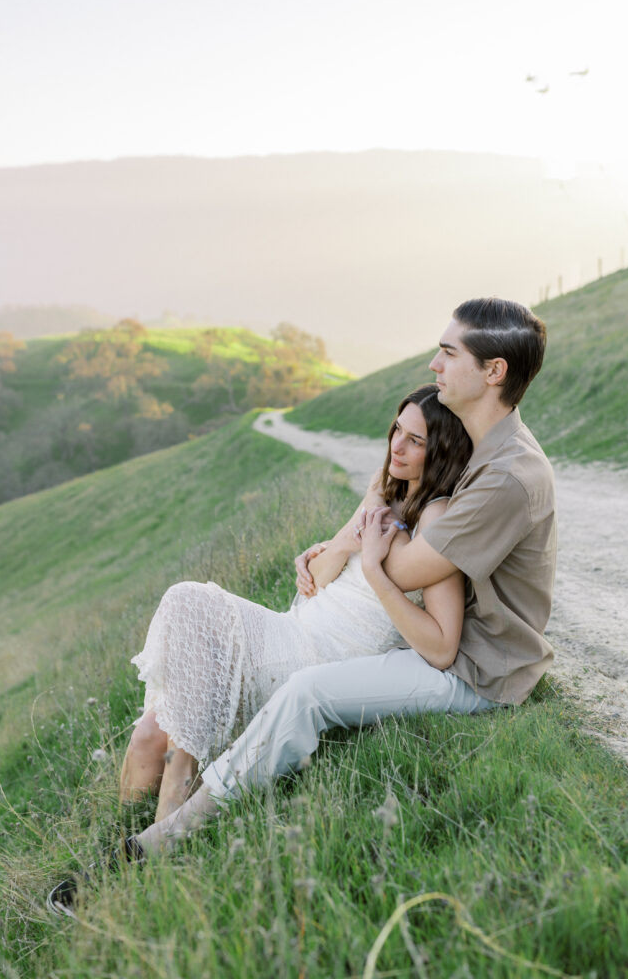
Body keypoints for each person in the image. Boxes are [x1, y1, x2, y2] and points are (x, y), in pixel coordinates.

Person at [118, 296, 555, 858]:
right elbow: (398, 540)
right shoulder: (479, 453)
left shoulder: (507, 475)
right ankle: (163, 801)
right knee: (182, 683)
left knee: (306, 690)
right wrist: (355, 532)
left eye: (449, 352)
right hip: (438, 642)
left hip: (483, 667)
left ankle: (169, 835)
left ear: (494, 371)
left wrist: (359, 544)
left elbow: (408, 566)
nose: (434, 364)